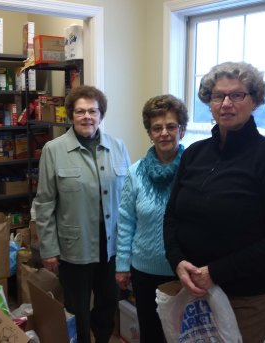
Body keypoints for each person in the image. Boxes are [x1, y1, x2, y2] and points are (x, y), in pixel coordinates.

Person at [163, 61, 265, 343]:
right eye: (218, 96)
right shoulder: (194, 154)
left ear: (254, 101)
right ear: (209, 102)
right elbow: (172, 217)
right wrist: (177, 261)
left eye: (236, 95)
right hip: (194, 288)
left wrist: (216, 272)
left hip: (248, 295)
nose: (226, 103)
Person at [31, 85, 131, 343]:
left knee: (109, 302)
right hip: (75, 246)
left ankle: (103, 337)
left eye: (93, 111)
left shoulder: (118, 148)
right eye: (80, 111)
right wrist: (49, 249)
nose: (87, 116)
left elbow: (129, 200)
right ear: (71, 115)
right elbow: (44, 204)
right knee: (77, 306)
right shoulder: (54, 150)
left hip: (112, 246)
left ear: (101, 115)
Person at [115, 95, 189, 343]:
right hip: (144, 271)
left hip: (182, 271)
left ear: (182, 129)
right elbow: (126, 221)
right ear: (150, 133)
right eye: (157, 128)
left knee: (182, 336)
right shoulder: (135, 172)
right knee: (151, 334)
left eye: (171, 126)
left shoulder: (194, 169)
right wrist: (122, 265)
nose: (164, 133)